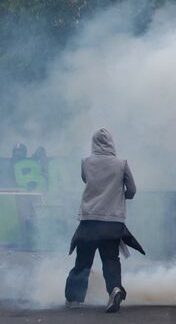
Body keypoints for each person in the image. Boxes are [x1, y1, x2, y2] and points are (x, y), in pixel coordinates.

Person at [65, 128, 145, 313]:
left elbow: (87, 180)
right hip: (112, 223)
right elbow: (132, 190)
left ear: (94, 143)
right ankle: (115, 290)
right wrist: (120, 196)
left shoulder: (86, 163)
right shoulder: (121, 164)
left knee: (83, 261)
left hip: (89, 221)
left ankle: (74, 299)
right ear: (111, 143)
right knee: (110, 259)